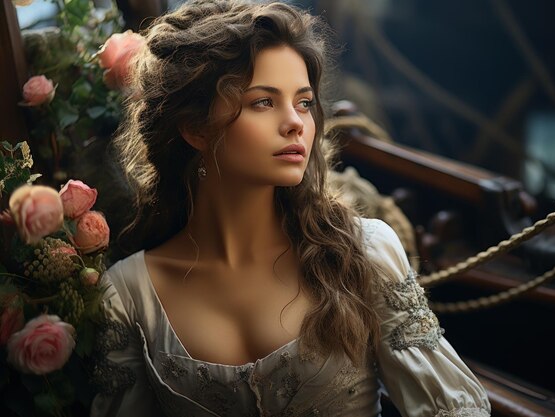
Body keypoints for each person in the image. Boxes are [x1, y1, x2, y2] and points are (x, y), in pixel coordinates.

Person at [90, 0, 491, 416]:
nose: (296, 123)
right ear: (194, 128)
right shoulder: (130, 295)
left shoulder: (366, 255)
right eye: (263, 102)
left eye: (303, 102)